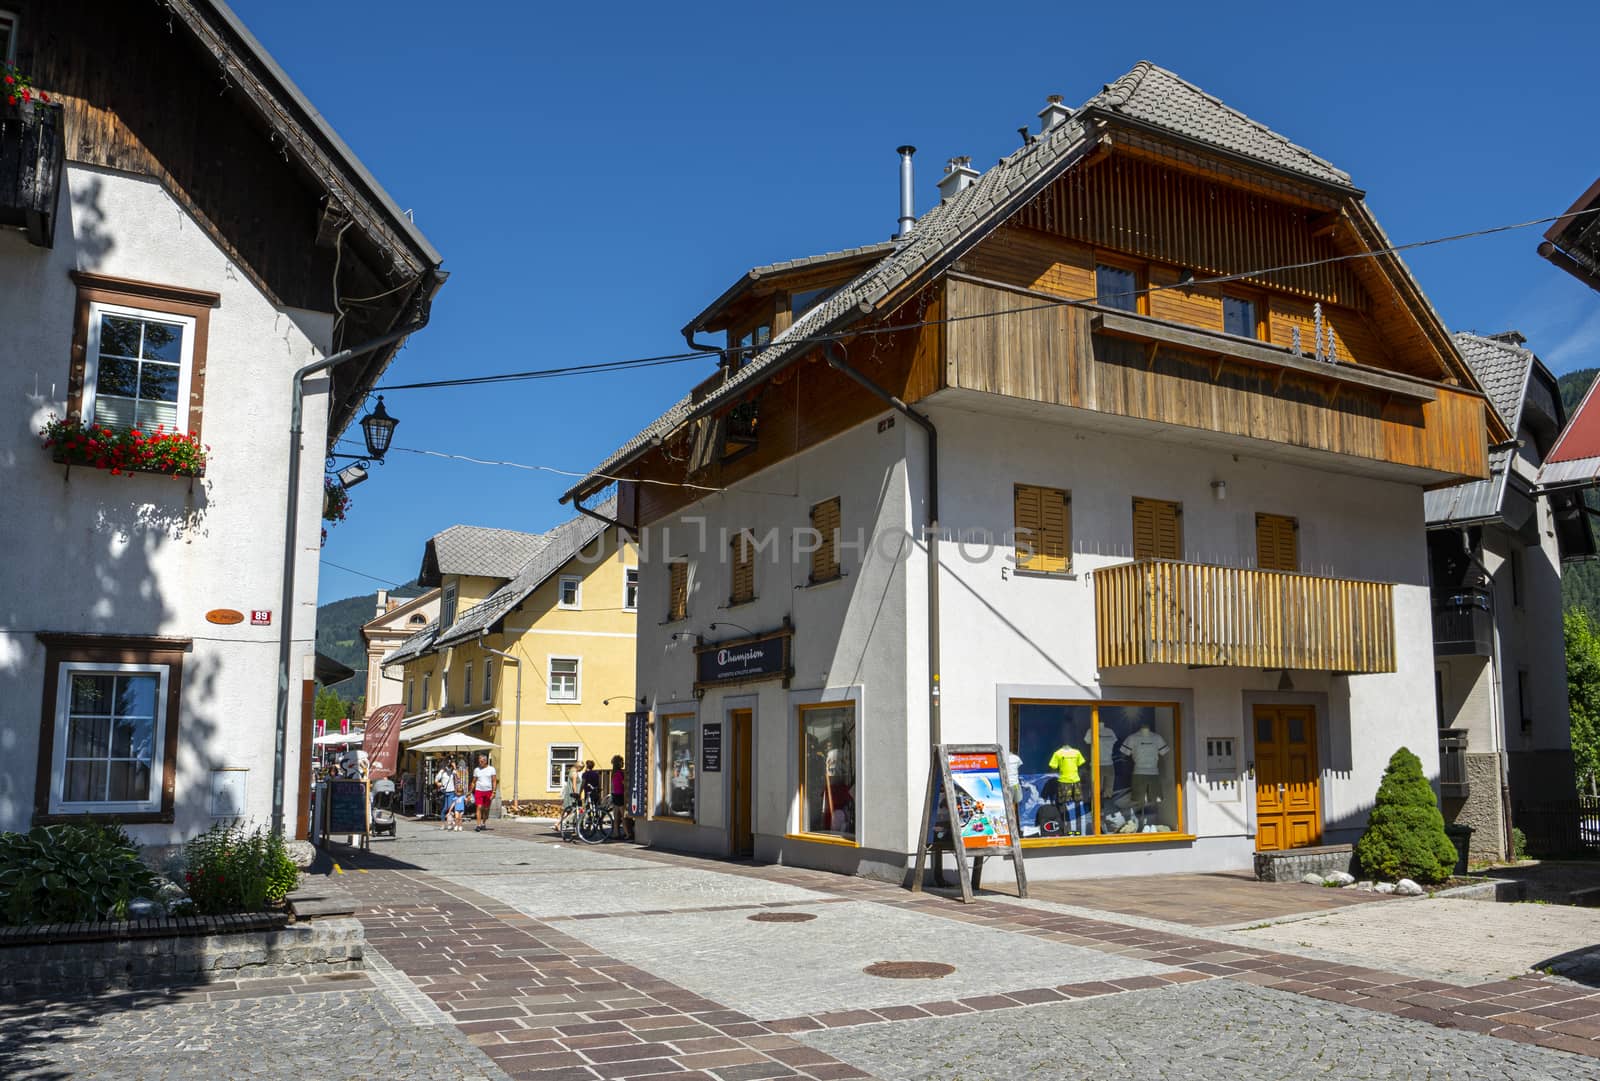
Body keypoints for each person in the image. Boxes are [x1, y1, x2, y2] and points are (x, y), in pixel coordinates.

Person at [471, 751, 498, 832]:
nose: (480, 762)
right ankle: (478, 825)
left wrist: (494, 792)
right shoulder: (476, 770)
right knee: (479, 807)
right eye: (479, 761)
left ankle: (483, 823)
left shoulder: (491, 769)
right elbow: (473, 781)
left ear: (486, 761)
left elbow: (494, 781)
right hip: (479, 790)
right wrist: (470, 791)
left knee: (486, 809)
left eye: (482, 761)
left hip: (488, 791)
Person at [559, 762, 582, 840]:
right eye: (581, 768)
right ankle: (563, 824)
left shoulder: (571, 771)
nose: (581, 770)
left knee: (569, 811)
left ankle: (558, 824)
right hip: (573, 794)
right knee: (573, 811)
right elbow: (574, 785)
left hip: (569, 793)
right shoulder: (574, 773)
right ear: (578, 767)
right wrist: (576, 794)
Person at [608, 754, 627, 839]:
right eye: (622, 762)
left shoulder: (614, 772)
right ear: (618, 763)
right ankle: (628, 833)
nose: (623, 763)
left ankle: (616, 833)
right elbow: (624, 783)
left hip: (615, 794)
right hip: (620, 795)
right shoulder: (620, 773)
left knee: (616, 816)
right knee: (623, 816)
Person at [435, 758, 457, 830]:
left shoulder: (453, 771)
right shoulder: (442, 771)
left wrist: (455, 767)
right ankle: (443, 824)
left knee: (449, 808)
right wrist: (438, 783)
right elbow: (436, 780)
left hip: (451, 792)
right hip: (444, 792)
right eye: (447, 763)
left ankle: (449, 823)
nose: (448, 764)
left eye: (449, 763)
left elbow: (458, 777)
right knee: (444, 809)